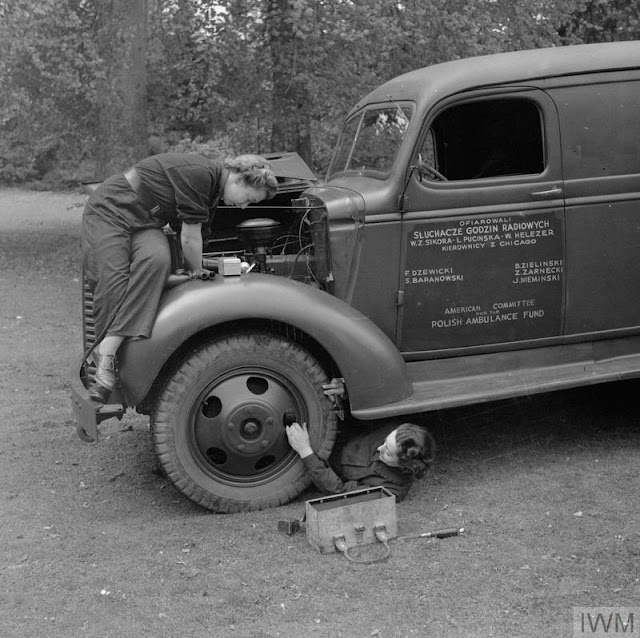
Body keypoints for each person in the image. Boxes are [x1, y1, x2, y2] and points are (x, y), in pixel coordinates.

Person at [82, 152, 278, 403]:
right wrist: (197, 272)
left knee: (158, 261)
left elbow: (199, 241)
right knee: (113, 282)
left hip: (145, 220)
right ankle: (104, 361)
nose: (243, 207)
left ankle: (110, 345)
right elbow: (188, 237)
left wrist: (217, 267)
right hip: (111, 208)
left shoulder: (213, 191)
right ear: (239, 180)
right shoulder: (201, 174)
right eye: (248, 200)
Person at [285, 395, 435, 502]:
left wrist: (305, 451)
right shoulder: (393, 429)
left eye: (387, 452)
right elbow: (357, 416)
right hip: (329, 431)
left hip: (319, 462)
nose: (379, 448)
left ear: (403, 464)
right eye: (385, 441)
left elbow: (339, 490)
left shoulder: (391, 490)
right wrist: (342, 394)